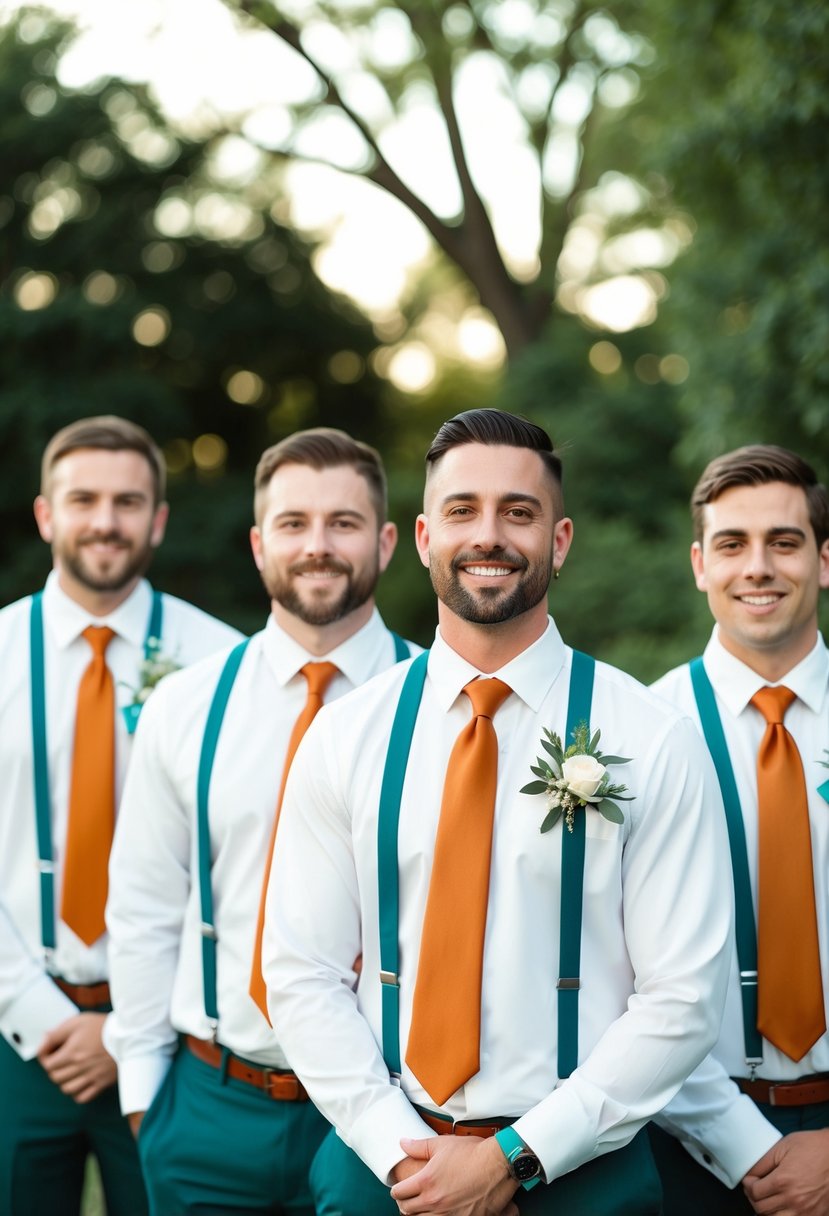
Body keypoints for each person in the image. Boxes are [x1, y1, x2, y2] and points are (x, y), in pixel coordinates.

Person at [263, 407, 734, 1216]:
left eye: (518, 513)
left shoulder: (650, 739)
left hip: (586, 1172)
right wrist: (398, 1153)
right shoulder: (346, 737)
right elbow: (300, 973)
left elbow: (682, 999)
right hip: (389, 1170)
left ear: (558, 542)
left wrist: (515, 1158)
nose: (489, 535)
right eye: (461, 511)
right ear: (420, 538)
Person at [105, 427, 417, 1216]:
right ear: (257, 544)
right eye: (293, 524)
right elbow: (143, 906)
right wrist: (146, 1100)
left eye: (343, 523)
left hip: (394, 1112)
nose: (318, 545)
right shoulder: (185, 705)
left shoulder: (444, 705)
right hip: (214, 1104)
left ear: (384, 543)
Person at [0, 416, 242, 1216]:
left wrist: (129, 1024)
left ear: (158, 520)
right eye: (84, 500)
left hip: (174, 1041)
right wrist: (35, 1014)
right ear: (46, 515)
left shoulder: (222, 664)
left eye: (128, 501)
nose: (105, 521)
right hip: (12, 1038)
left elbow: (237, 870)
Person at [648, 445, 829, 1216]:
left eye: (783, 542)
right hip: (683, 1141)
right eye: (731, 544)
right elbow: (621, 977)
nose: (757, 566)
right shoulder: (640, 731)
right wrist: (743, 1145)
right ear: (699, 564)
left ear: (824, 560)